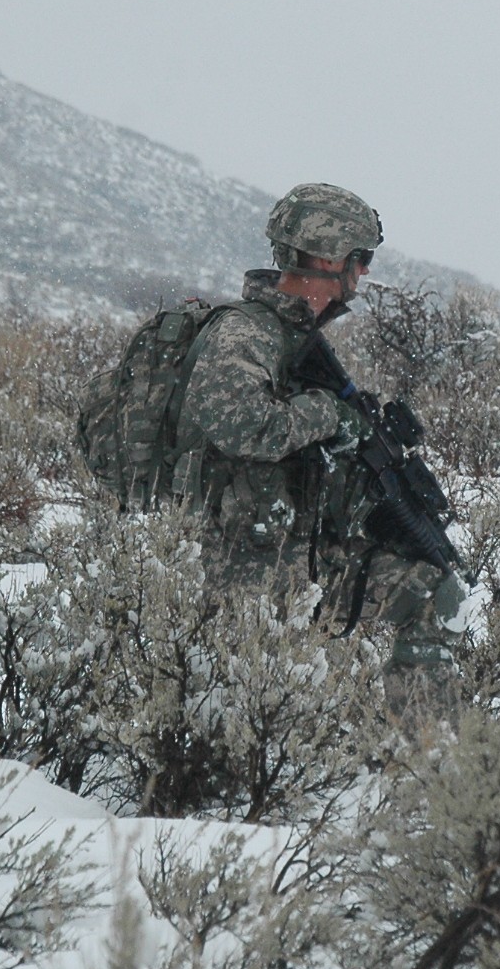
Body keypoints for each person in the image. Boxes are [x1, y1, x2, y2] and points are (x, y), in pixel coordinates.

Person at [170, 182, 466, 682]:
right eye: (361, 256)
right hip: (235, 573)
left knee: (435, 594)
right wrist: (329, 416)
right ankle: (416, 750)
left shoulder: (293, 339)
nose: (366, 269)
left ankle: (417, 752)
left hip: (293, 555)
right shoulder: (249, 332)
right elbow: (239, 426)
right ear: (329, 260)